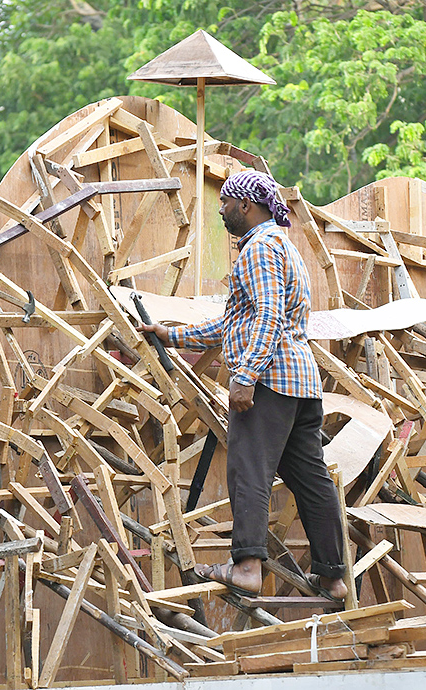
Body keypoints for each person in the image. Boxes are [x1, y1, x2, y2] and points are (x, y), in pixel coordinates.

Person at [139, 170, 348, 602]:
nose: (221, 209)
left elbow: (268, 315)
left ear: (247, 207)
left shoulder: (258, 250)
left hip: (270, 380)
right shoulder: (282, 247)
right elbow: (233, 322)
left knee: (249, 469)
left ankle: (247, 566)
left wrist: (245, 376)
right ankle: (333, 577)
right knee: (311, 479)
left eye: (227, 202)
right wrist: (172, 335)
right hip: (301, 383)